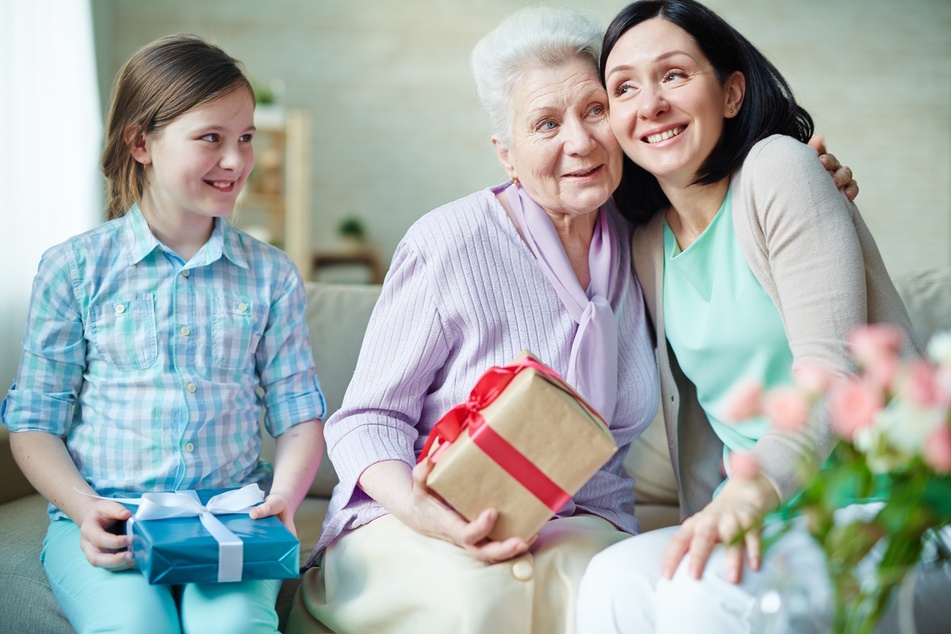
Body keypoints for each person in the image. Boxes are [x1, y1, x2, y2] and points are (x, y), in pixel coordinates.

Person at [287, 7, 855, 634]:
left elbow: (736, 214)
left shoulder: (643, 236)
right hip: (428, 517)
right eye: (546, 123)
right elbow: (366, 420)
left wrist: (811, 181)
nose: (579, 142)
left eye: (593, 111)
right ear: (506, 154)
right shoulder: (451, 241)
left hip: (584, 525)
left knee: (616, 590)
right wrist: (425, 512)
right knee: (485, 600)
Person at [576, 1, 948, 632]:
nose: (651, 103)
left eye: (674, 75)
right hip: (764, 513)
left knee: (703, 594)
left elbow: (832, 371)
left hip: (884, 504)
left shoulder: (778, 168)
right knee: (611, 581)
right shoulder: (643, 243)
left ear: (731, 93)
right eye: (624, 88)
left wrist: (750, 493)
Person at [1, 34, 325, 633]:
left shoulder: (271, 275)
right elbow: (33, 423)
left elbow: (300, 414)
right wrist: (84, 507)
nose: (237, 161)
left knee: (233, 628)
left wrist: (283, 496)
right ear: (141, 142)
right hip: (111, 518)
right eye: (211, 139)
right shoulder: (73, 269)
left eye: (246, 138)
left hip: (231, 516)